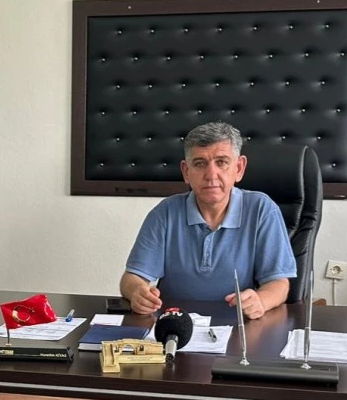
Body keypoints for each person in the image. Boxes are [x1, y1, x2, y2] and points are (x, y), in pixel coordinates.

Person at [120, 121, 296, 320]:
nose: (211, 175)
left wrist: (261, 301)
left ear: (239, 168)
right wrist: (137, 292)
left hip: (239, 326)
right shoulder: (165, 213)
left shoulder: (262, 210)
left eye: (221, 162)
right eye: (200, 163)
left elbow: (279, 284)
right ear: (186, 172)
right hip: (177, 324)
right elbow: (132, 278)